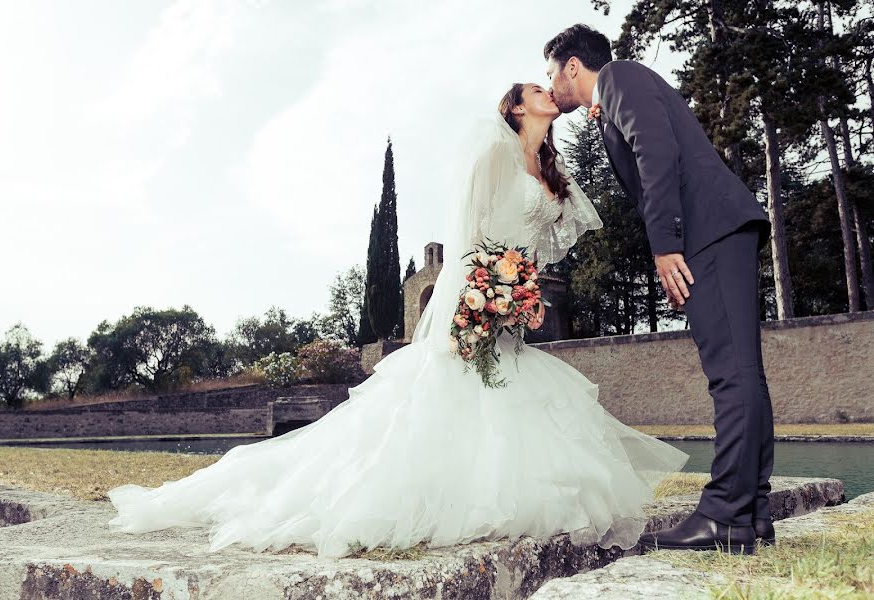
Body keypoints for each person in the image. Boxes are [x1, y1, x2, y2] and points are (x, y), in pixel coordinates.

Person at [106, 82, 690, 560]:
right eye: (536, 88)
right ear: (514, 108)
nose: (547, 91)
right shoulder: (494, 154)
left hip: (514, 303)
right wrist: (477, 296)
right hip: (481, 293)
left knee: (521, 397)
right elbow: (467, 234)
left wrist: (523, 290)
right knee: (457, 401)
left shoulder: (551, 167)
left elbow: (547, 241)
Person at [544, 24, 774, 555]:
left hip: (707, 232)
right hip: (720, 231)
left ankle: (723, 514)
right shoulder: (616, 99)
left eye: (550, 73)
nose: (551, 84)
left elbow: (655, 150)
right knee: (743, 371)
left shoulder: (620, 78)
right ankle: (752, 511)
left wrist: (666, 244)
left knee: (730, 374)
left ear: (572, 66)